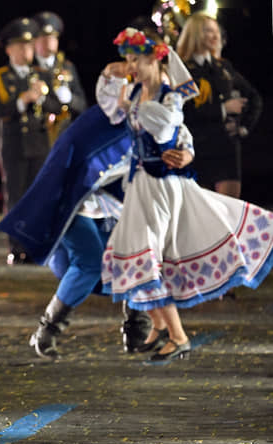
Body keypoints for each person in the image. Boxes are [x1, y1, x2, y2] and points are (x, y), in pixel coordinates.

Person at [97, 27, 273, 361]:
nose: (131, 65)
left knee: (144, 256)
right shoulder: (135, 92)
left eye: (137, 59)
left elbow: (167, 126)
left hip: (162, 188)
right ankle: (161, 326)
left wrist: (183, 148)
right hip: (141, 185)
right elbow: (111, 108)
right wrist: (111, 75)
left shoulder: (168, 95)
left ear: (157, 61)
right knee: (134, 255)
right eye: (129, 59)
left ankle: (177, 335)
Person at [0, 103, 195, 358]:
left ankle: (139, 331)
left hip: (122, 203)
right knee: (89, 261)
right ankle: (47, 330)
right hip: (75, 199)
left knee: (138, 261)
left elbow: (181, 137)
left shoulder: (166, 118)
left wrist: (186, 154)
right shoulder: (116, 107)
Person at [0, 17, 66, 265]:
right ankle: (17, 247)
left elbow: (57, 105)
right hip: (14, 144)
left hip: (40, 142)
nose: (26, 51)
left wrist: (41, 99)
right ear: (9, 49)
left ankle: (36, 243)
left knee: (39, 195)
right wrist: (22, 100)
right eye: (20, 46)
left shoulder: (41, 74)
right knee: (16, 196)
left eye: (29, 46)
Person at [176, 12, 262, 199]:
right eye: (208, 31)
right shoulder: (182, 69)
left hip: (226, 148)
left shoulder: (223, 67)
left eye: (216, 31)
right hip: (197, 147)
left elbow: (254, 98)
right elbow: (181, 111)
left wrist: (244, 127)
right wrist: (223, 109)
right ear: (195, 33)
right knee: (203, 214)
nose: (215, 36)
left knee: (230, 212)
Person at [32, 11, 87, 143]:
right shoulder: (28, 69)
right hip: (36, 139)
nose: (48, 42)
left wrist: (70, 98)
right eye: (43, 38)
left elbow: (83, 106)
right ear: (34, 41)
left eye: (52, 38)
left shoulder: (67, 67)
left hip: (65, 135)